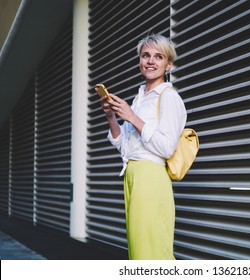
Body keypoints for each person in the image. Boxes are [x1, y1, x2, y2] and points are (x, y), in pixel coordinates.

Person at [98, 34, 187, 260]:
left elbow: (167, 148)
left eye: (159, 57)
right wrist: (111, 118)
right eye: (146, 55)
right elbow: (125, 147)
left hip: (151, 177)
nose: (150, 61)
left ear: (169, 64)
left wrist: (133, 117)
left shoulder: (169, 98)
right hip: (132, 175)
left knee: (152, 252)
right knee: (139, 252)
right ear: (139, 60)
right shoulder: (140, 99)